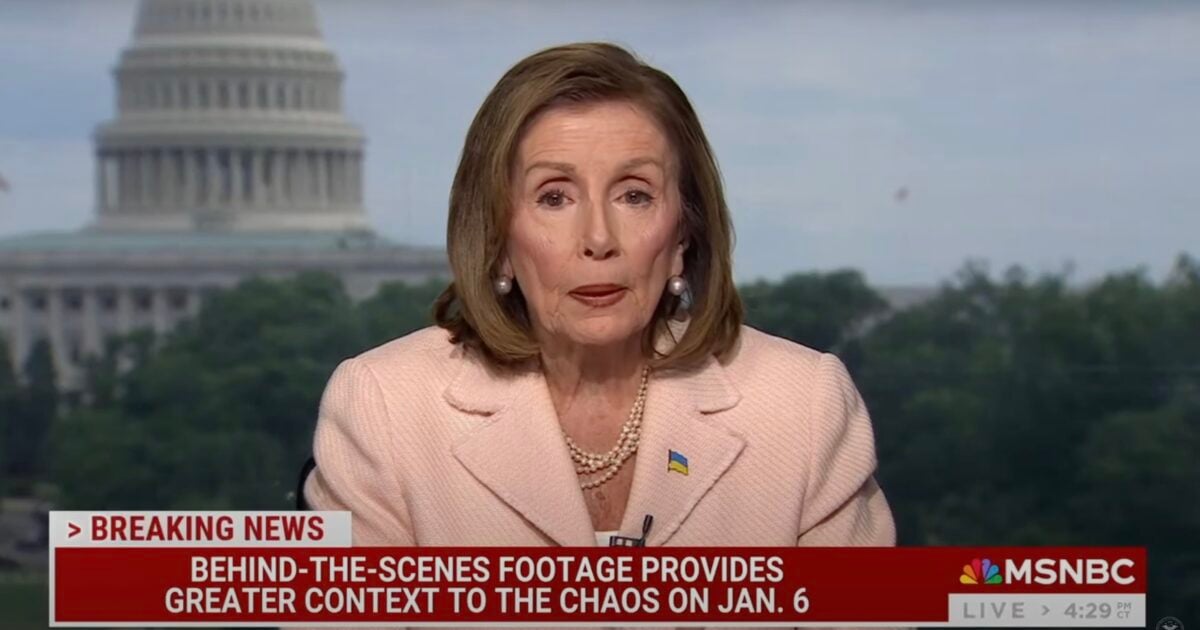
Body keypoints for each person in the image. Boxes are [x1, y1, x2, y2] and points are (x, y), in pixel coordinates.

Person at [303, 42, 895, 548]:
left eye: (634, 195)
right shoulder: (384, 408)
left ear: (683, 234)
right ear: (498, 238)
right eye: (554, 197)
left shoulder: (804, 407)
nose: (598, 240)